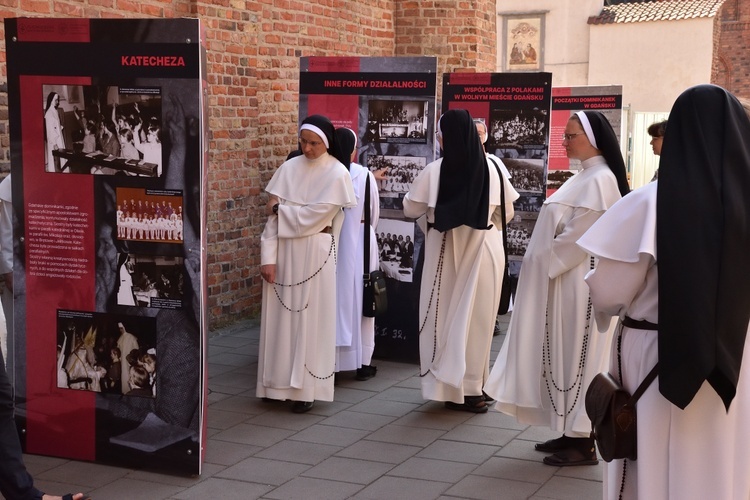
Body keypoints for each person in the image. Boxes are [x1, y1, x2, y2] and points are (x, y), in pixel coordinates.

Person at [578, 85, 750, 499]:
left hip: (657, 351)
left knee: (651, 461)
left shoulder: (648, 203)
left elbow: (607, 294)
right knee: (720, 456)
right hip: (738, 356)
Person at [484, 110, 630, 465]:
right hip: (561, 283)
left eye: (572, 135)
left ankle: (583, 441)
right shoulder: (584, 177)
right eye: (565, 135)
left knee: (576, 360)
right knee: (560, 358)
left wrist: (540, 264)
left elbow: (577, 239)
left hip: (575, 286)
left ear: (594, 138)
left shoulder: (601, 180)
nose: (565, 142)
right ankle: (568, 430)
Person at [403, 109, 515, 413]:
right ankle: (476, 386)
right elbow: (507, 214)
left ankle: (453, 388)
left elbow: (410, 208)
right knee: (479, 321)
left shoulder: (435, 171)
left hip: (446, 254)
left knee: (445, 319)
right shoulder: (494, 167)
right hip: (486, 250)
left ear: (444, 138)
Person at [257, 115, 356, 413]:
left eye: (314, 143)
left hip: (315, 254)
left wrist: (282, 208)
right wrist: (268, 258)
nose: (308, 148)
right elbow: (270, 218)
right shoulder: (288, 167)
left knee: (311, 321)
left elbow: (317, 218)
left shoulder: (338, 174)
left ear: (326, 143)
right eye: (303, 142)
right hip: (285, 254)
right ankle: (275, 385)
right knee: (280, 322)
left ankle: (306, 390)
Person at [332, 127, 380, 381]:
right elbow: (373, 213)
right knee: (362, 299)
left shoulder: (327, 173)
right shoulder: (363, 175)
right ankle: (362, 361)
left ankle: (332, 359)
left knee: (335, 300)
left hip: (332, 244)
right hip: (361, 242)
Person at [44, 92, 66, 173]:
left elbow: (56, 126)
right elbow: (50, 130)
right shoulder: (49, 113)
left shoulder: (55, 111)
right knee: (55, 161)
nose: (58, 102)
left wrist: (60, 127)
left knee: (62, 158)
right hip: (55, 141)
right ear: (51, 100)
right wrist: (54, 143)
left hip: (59, 138)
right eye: (56, 100)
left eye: (58, 100)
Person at [116, 321, 139, 395]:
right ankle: (125, 392)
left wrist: (132, 359)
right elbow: (118, 350)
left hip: (130, 362)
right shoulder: (120, 338)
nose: (120, 330)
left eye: (121, 328)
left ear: (125, 327)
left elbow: (136, 350)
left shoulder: (132, 337)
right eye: (119, 328)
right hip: (122, 362)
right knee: (124, 377)